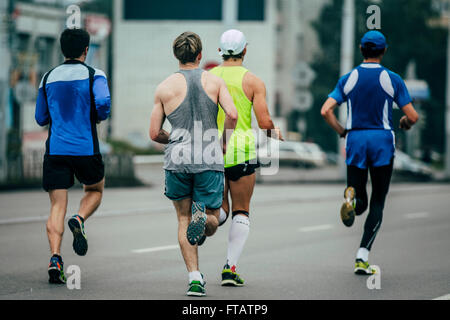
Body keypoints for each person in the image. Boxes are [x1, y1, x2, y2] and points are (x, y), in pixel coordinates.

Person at [321, 31, 419, 275]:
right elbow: (413, 116)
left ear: (360, 49)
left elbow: (326, 110)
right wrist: (405, 123)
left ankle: (352, 199)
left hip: (355, 138)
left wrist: (342, 131)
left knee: (359, 196)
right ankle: (362, 255)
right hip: (382, 140)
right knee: (378, 200)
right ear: (384, 51)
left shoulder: (349, 78)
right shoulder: (392, 78)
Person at [149, 31, 238, 296]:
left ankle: (195, 279)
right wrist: (223, 142)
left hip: (178, 159)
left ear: (176, 55)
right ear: (200, 55)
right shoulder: (214, 81)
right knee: (213, 218)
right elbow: (232, 114)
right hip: (209, 158)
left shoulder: (164, 87)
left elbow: (154, 133)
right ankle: (206, 219)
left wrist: (174, 138)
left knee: (182, 219)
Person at [35, 28, 111, 284]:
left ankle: (55, 257)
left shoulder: (47, 77)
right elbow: (103, 103)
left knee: (57, 205)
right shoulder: (95, 74)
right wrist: (97, 117)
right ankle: (79, 218)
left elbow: (40, 117)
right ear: (86, 50)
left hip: (55, 149)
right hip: (86, 148)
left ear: (61, 49)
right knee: (95, 190)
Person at [210, 29, 284, 287]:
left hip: (213, 151)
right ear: (244, 50)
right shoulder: (253, 82)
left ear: (220, 51)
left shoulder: (208, 78)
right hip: (241, 152)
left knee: (219, 209)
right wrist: (275, 132)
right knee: (241, 210)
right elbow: (264, 123)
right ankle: (230, 269)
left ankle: (207, 220)